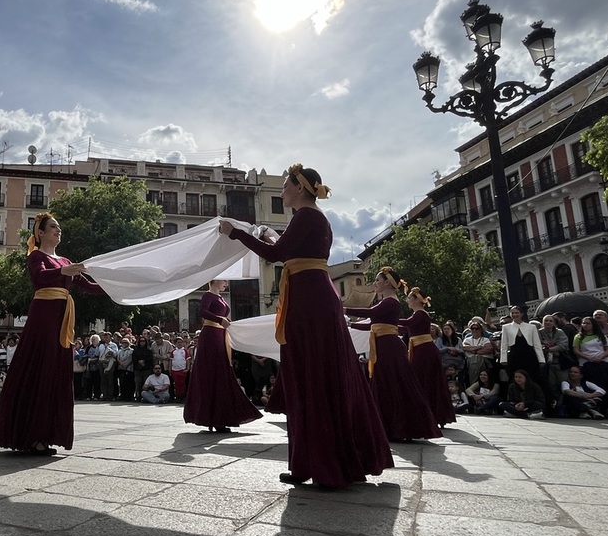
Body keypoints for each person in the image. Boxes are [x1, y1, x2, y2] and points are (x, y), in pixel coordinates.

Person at [222, 163, 393, 488]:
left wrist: (237, 234)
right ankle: (311, 463)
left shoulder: (308, 217)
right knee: (310, 377)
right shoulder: (312, 219)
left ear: (299, 188)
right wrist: (270, 237)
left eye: (286, 186)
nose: (283, 191)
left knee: (311, 378)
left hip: (309, 299)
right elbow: (285, 250)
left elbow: (276, 255)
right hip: (311, 295)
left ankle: (321, 464)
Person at [0, 213, 106, 455]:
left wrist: (116, 285)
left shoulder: (65, 260)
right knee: (41, 367)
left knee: (56, 372)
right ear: (40, 233)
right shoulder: (36, 256)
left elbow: (88, 286)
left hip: (62, 319)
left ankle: (48, 433)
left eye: (59, 227)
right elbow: (39, 277)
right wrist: (65, 272)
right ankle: (33, 436)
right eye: (53, 227)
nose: (58, 230)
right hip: (44, 316)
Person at [346, 267, 440, 442]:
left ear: (387, 282)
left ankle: (399, 426)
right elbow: (372, 324)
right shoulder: (386, 302)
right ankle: (388, 426)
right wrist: (351, 325)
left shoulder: (390, 302)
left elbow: (370, 314)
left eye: (377, 280)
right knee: (386, 384)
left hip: (389, 347)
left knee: (393, 384)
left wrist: (343, 309)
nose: (375, 283)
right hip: (384, 346)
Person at [183, 279, 262, 433]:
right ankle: (212, 417)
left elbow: (223, 319)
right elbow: (203, 312)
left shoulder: (221, 298)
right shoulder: (208, 295)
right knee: (213, 373)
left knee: (222, 372)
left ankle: (220, 417)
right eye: (224, 280)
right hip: (211, 335)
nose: (226, 282)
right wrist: (220, 320)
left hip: (221, 335)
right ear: (215, 280)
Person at [400, 287, 455, 428]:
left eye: (410, 298)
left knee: (424, 380)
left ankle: (432, 414)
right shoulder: (417, 314)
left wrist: (388, 318)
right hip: (420, 350)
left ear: (417, 300)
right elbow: (405, 326)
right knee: (424, 380)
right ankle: (430, 414)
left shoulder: (420, 314)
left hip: (424, 351)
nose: (407, 300)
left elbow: (406, 323)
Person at [498, 305, 545, 384]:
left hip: (529, 355)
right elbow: (504, 345)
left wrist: (541, 360)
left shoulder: (531, 327)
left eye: (517, 313)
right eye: (512, 313)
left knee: (531, 378)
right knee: (515, 378)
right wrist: (503, 359)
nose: (515, 315)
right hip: (514, 355)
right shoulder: (506, 327)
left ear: (521, 314)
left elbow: (537, 345)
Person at [572, 315, 608, 394]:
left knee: (605, 384)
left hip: (602, 363)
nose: (585, 325)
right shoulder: (578, 337)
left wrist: (600, 357)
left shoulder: (601, 336)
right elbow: (576, 350)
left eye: (588, 323)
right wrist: (589, 357)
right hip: (586, 364)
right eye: (583, 323)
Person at [539, 314, 570, 414]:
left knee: (563, 383)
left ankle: (564, 405)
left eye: (550, 321)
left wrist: (549, 349)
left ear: (554, 323)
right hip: (546, 363)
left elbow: (563, 345)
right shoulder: (539, 333)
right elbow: (537, 345)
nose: (548, 322)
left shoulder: (559, 332)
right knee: (551, 385)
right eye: (546, 321)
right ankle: (555, 405)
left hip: (559, 362)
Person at [461, 319, 495, 384]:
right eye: (472, 328)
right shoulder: (467, 340)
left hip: (485, 361)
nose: (474, 330)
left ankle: (473, 384)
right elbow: (464, 348)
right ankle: (476, 384)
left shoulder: (486, 339)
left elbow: (489, 349)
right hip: (469, 361)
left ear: (481, 329)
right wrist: (480, 347)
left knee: (477, 358)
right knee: (475, 359)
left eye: (476, 328)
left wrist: (474, 350)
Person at [168, 336, 192, 402]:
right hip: (174, 370)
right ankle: (178, 396)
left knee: (182, 384)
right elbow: (170, 361)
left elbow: (188, 360)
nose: (179, 344)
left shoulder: (185, 351)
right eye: (178, 342)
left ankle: (182, 397)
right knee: (176, 384)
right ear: (175, 343)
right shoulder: (173, 352)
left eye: (181, 342)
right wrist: (170, 370)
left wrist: (187, 368)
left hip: (182, 370)